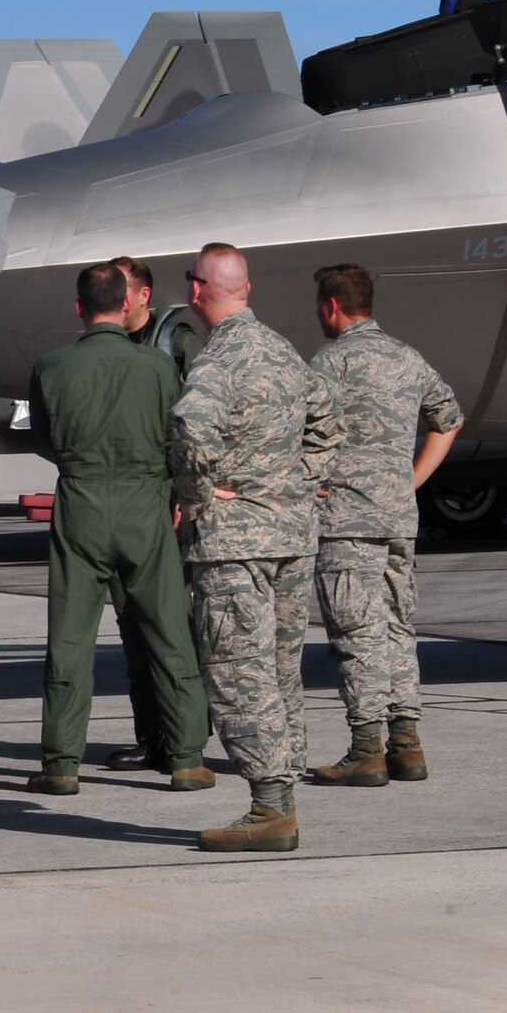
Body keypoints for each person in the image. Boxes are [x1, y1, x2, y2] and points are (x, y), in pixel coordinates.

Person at [171, 244, 340, 852]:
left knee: (239, 673)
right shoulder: (282, 350)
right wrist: (295, 477)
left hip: (237, 541)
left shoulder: (222, 357)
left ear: (198, 290)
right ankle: (282, 786)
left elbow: (191, 427)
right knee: (278, 668)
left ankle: (271, 808)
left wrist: (198, 494)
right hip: (292, 535)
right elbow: (329, 419)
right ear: (246, 288)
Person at [26, 263, 211, 795]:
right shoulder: (156, 367)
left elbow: (45, 439)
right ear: (128, 304)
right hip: (144, 504)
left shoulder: (51, 367)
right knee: (169, 629)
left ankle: (61, 763)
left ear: (79, 308)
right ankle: (187, 757)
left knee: (69, 638)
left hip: (81, 501)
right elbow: (176, 434)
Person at [308, 263, 463, 786]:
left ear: (332, 306)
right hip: (398, 519)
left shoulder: (331, 363)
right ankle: (407, 743)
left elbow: (300, 435)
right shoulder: (406, 358)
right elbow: (449, 419)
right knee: (397, 627)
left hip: (346, 521)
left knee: (357, 633)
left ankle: (366, 748)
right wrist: (410, 480)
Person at [103, 254, 205, 771]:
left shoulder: (178, 344)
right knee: (132, 625)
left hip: (170, 506)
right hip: (127, 508)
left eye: (121, 291)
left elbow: (197, 429)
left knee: (173, 627)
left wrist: (184, 500)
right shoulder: (104, 348)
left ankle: (185, 734)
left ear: (143, 296)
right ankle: (152, 736)